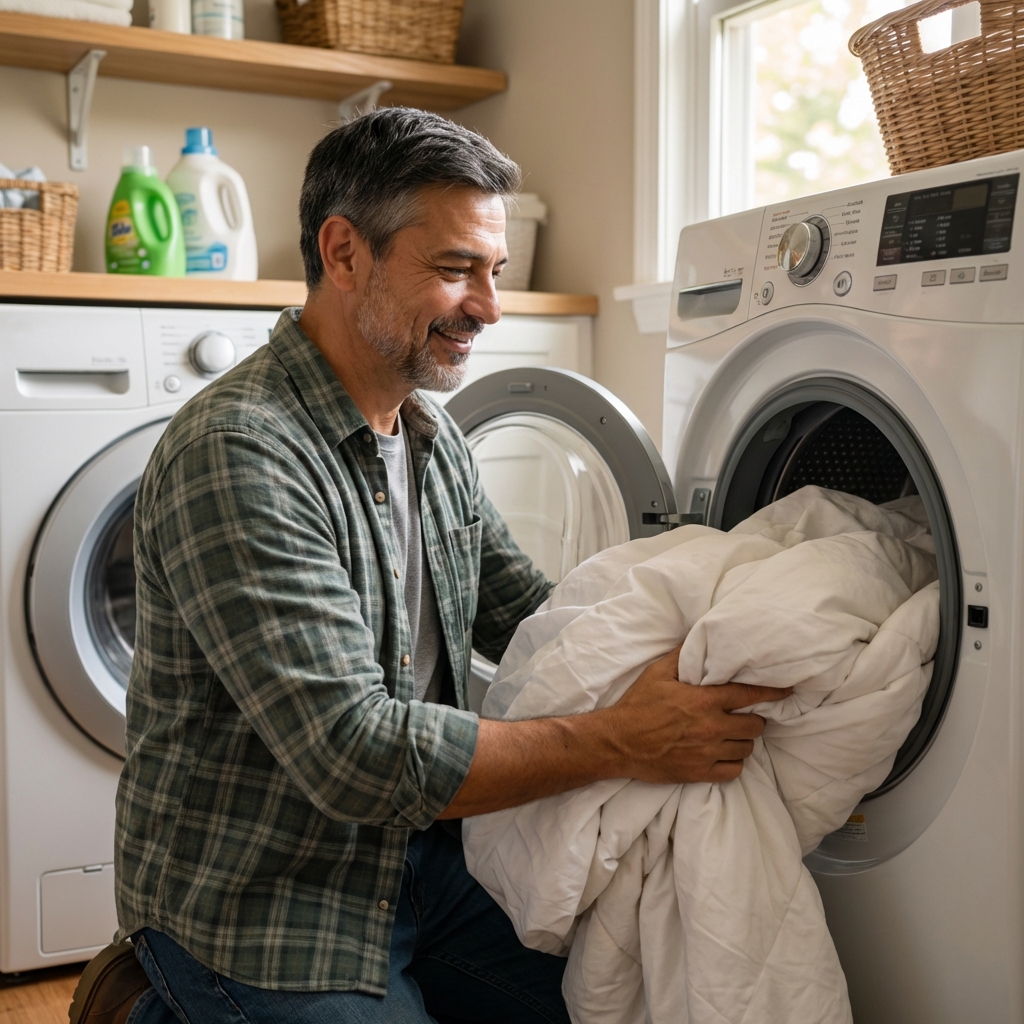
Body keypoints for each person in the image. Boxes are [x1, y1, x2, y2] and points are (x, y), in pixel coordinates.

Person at [69, 108, 788, 1024]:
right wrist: (623, 736)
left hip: (427, 861)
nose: (489, 306)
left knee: (627, 996)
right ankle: (151, 1003)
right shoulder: (240, 450)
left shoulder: (428, 434)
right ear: (344, 254)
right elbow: (351, 753)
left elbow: (530, 617)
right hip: (262, 903)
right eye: (454, 270)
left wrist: (686, 646)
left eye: (495, 272)